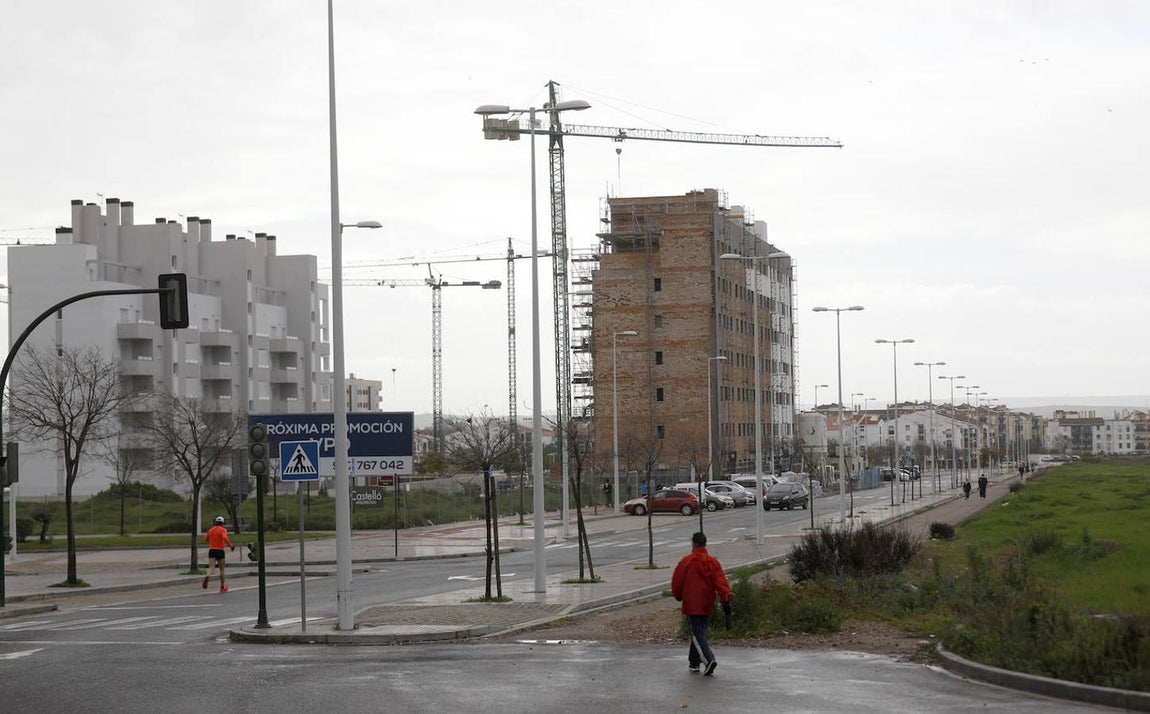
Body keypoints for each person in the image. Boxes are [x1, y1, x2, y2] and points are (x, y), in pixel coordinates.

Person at [671, 531, 732, 677]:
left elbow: (677, 582)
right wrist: (726, 600)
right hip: (707, 602)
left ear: (693, 543)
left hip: (691, 602)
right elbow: (721, 583)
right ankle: (693, 662)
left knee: (696, 633)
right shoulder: (713, 562)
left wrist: (678, 596)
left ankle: (709, 660)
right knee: (699, 631)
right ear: (705, 544)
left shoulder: (686, 561)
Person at [203, 516, 235, 593]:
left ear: (215, 522)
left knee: (211, 567)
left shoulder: (211, 530)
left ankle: (207, 576)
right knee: (222, 570)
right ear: (222, 523)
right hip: (220, 550)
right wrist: (231, 546)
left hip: (212, 550)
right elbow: (225, 537)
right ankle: (222, 587)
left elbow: (206, 539)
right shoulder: (223, 530)